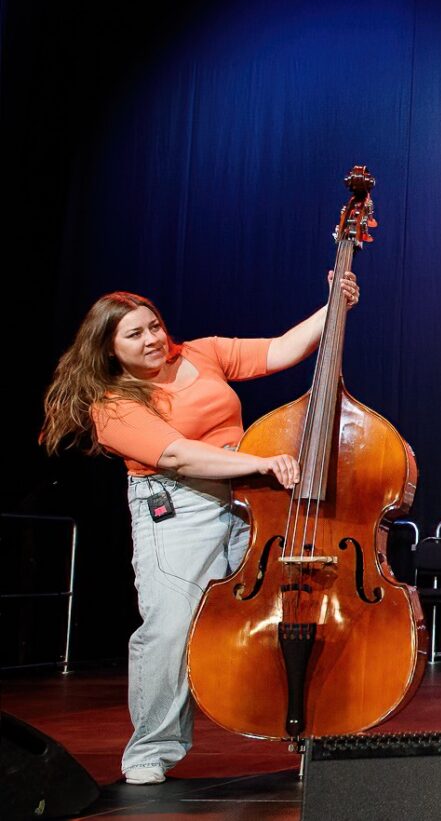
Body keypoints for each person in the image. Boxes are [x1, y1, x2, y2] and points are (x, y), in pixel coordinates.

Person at [39, 273, 358, 785]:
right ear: (109, 349)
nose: (152, 339)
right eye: (135, 334)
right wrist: (259, 462)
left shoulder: (201, 353)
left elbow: (280, 350)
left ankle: (304, 732)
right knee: (171, 626)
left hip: (249, 497)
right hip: (178, 504)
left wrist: (333, 305)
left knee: (283, 614)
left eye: (155, 326)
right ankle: (151, 749)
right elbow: (177, 456)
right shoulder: (112, 404)